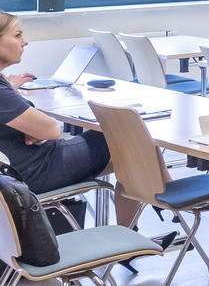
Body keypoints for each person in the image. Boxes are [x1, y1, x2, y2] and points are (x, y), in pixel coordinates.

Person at [0, 12, 140, 226]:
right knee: (130, 139)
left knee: (130, 156)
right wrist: (37, 129)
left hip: (19, 170)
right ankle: (160, 207)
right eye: (17, 35)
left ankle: (132, 232)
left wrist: (15, 95)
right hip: (37, 170)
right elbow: (52, 130)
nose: (24, 42)